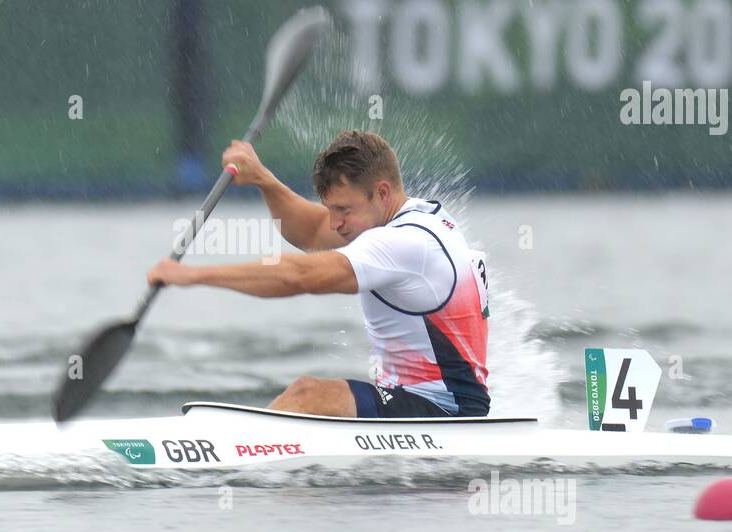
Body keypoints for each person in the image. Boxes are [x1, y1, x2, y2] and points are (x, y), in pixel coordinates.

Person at [147, 130, 489, 418]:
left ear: (382, 192)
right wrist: (263, 179)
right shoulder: (420, 217)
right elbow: (311, 232)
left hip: (445, 412)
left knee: (308, 395)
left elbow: (298, 276)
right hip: (422, 403)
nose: (335, 222)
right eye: (331, 209)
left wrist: (192, 275)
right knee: (310, 394)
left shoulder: (405, 243)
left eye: (343, 210)